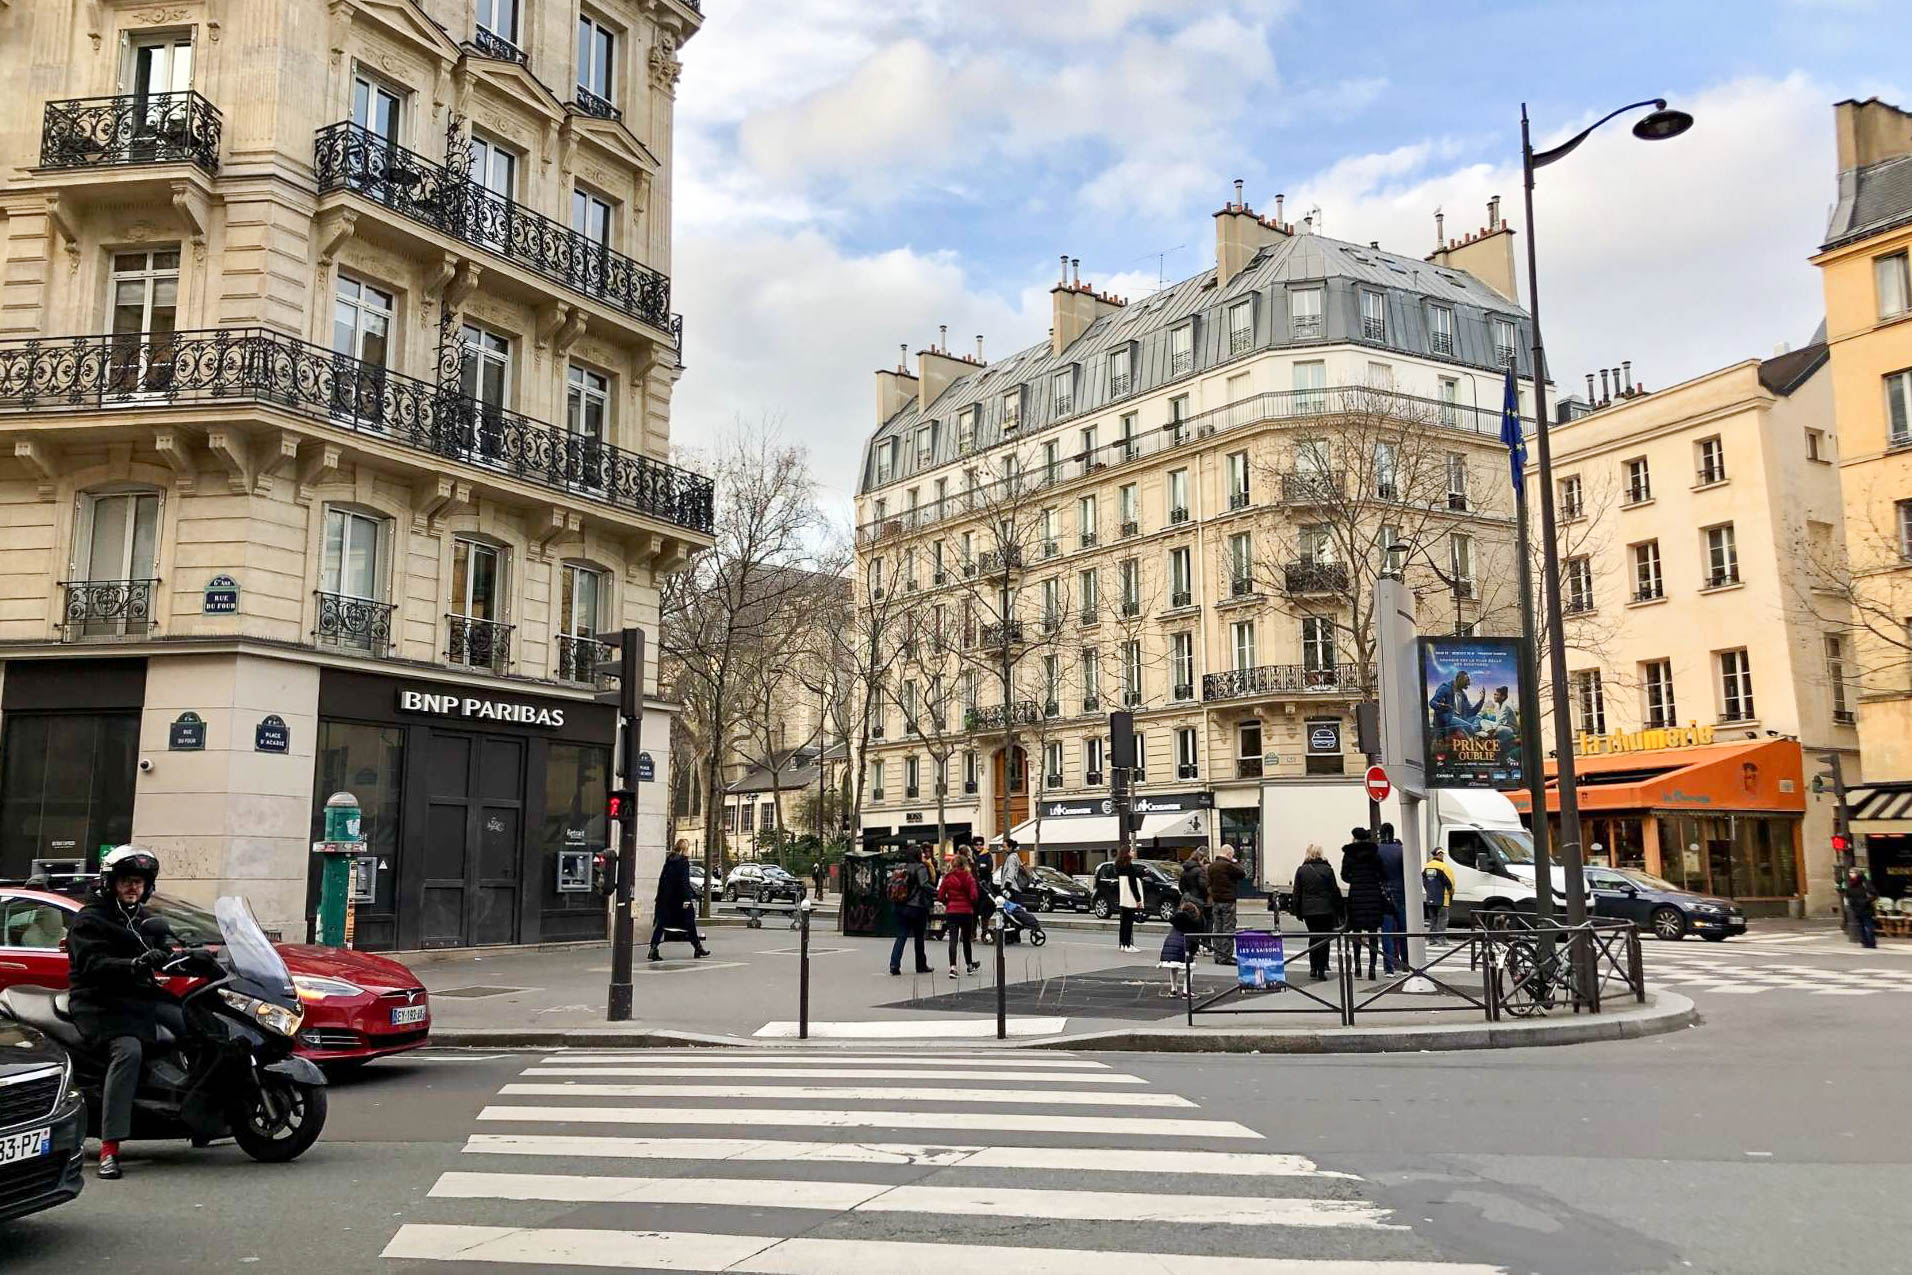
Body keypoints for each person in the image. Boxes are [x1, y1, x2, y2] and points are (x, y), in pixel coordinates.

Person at [68, 846, 185, 1180]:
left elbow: (166, 947)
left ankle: (199, 1114)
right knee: (128, 1051)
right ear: (111, 884)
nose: (133, 888)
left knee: (190, 1021)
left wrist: (185, 954)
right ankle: (110, 1148)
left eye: (139, 882)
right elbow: (91, 964)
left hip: (138, 997)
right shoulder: (91, 919)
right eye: (126, 882)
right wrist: (132, 964)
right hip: (99, 1003)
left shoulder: (142, 919)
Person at [648, 840, 709, 961]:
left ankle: (653, 947)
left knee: (661, 924)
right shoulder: (683, 862)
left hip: (665, 899)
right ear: (684, 849)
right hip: (679, 899)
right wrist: (687, 898)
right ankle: (697, 947)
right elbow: (684, 882)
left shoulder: (669, 860)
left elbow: (663, 880)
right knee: (690, 922)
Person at [1340, 827, 1387, 980]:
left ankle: (1358, 965)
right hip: (1373, 895)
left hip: (1357, 896)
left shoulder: (1349, 854)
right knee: (1373, 933)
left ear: (1354, 837)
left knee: (1356, 932)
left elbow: (1344, 875)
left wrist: (1355, 879)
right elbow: (1382, 873)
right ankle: (1372, 968)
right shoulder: (1375, 853)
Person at [1292, 845, 1342, 981]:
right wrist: (1339, 908)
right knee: (1324, 939)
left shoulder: (1302, 870)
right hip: (1325, 909)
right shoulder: (1327, 870)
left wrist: (1297, 911)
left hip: (1308, 910)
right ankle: (1321, 969)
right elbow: (1334, 890)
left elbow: (1297, 892)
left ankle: (1313, 967)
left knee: (1313, 937)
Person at [888, 847, 937, 975]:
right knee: (919, 937)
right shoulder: (920, 867)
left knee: (901, 936)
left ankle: (894, 964)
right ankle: (920, 965)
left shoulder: (901, 867)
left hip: (899, 905)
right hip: (916, 906)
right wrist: (936, 891)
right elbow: (924, 884)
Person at [938, 851, 981, 977]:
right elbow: (974, 896)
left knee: (953, 939)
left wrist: (948, 902)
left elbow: (940, 896)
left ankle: (953, 967)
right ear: (965, 864)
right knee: (966, 940)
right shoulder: (968, 877)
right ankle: (969, 966)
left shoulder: (948, 878)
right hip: (966, 912)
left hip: (952, 911)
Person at [1376, 822, 1407, 973]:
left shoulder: (1377, 850)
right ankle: (1406, 964)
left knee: (1387, 933)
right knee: (1404, 932)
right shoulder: (1401, 851)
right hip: (1401, 894)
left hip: (1384, 895)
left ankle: (1389, 968)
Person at [1208, 844, 1247, 965]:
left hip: (1216, 900)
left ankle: (1217, 954)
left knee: (1217, 928)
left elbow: (1208, 883)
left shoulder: (1212, 866)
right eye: (1232, 855)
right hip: (1228, 900)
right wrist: (1235, 862)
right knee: (1228, 928)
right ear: (1229, 854)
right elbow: (1242, 873)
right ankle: (1226, 956)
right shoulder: (1228, 865)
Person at [1159, 900, 1204, 998]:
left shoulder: (1176, 921)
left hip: (1169, 950)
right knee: (1190, 968)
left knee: (1173, 967)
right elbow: (1193, 941)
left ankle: (1173, 989)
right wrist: (1193, 953)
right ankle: (1186, 991)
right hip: (1183, 948)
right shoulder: (1193, 923)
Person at [1179, 849, 1211, 952]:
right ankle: (1202, 945)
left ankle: (1190, 946)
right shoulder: (1199, 870)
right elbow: (1203, 886)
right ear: (1200, 859)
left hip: (1187, 898)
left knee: (1190, 923)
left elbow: (1181, 886)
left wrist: (1186, 893)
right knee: (1201, 923)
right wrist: (1206, 895)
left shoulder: (1184, 870)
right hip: (1198, 899)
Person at [1114, 847, 1145, 953]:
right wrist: (1138, 899)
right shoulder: (1129, 866)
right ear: (1127, 853)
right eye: (1131, 851)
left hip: (1123, 895)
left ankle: (1122, 944)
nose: (1133, 852)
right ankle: (1128, 944)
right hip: (1130, 896)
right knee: (1129, 921)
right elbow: (1133, 884)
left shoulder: (1118, 865)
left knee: (1123, 921)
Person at [1422, 847, 1457, 938]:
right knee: (1443, 919)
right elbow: (1450, 882)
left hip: (1430, 897)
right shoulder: (1444, 867)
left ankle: (1432, 939)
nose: (1442, 856)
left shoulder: (1427, 866)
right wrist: (1451, 893)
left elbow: (1424, 882)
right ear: (1440, 855)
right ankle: (1441, 939)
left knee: (1433, 919)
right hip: (1443, 898)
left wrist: (1429, 891)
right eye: (1442, 854)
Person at [1841, 867, 1879, 950]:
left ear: (1858, 873)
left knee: (1868, 925)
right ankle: (1864, 942)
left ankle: (1871, 942)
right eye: (1850, 873)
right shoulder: (1850, 883)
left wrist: (1865, 901)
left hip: (1866, 908)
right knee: (1861, 926)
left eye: (1853, 872)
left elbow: (1874, 894)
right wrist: (1851, 904)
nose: (1851, 874)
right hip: (1856, 908)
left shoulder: (1865, 882)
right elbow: (1848, 895)